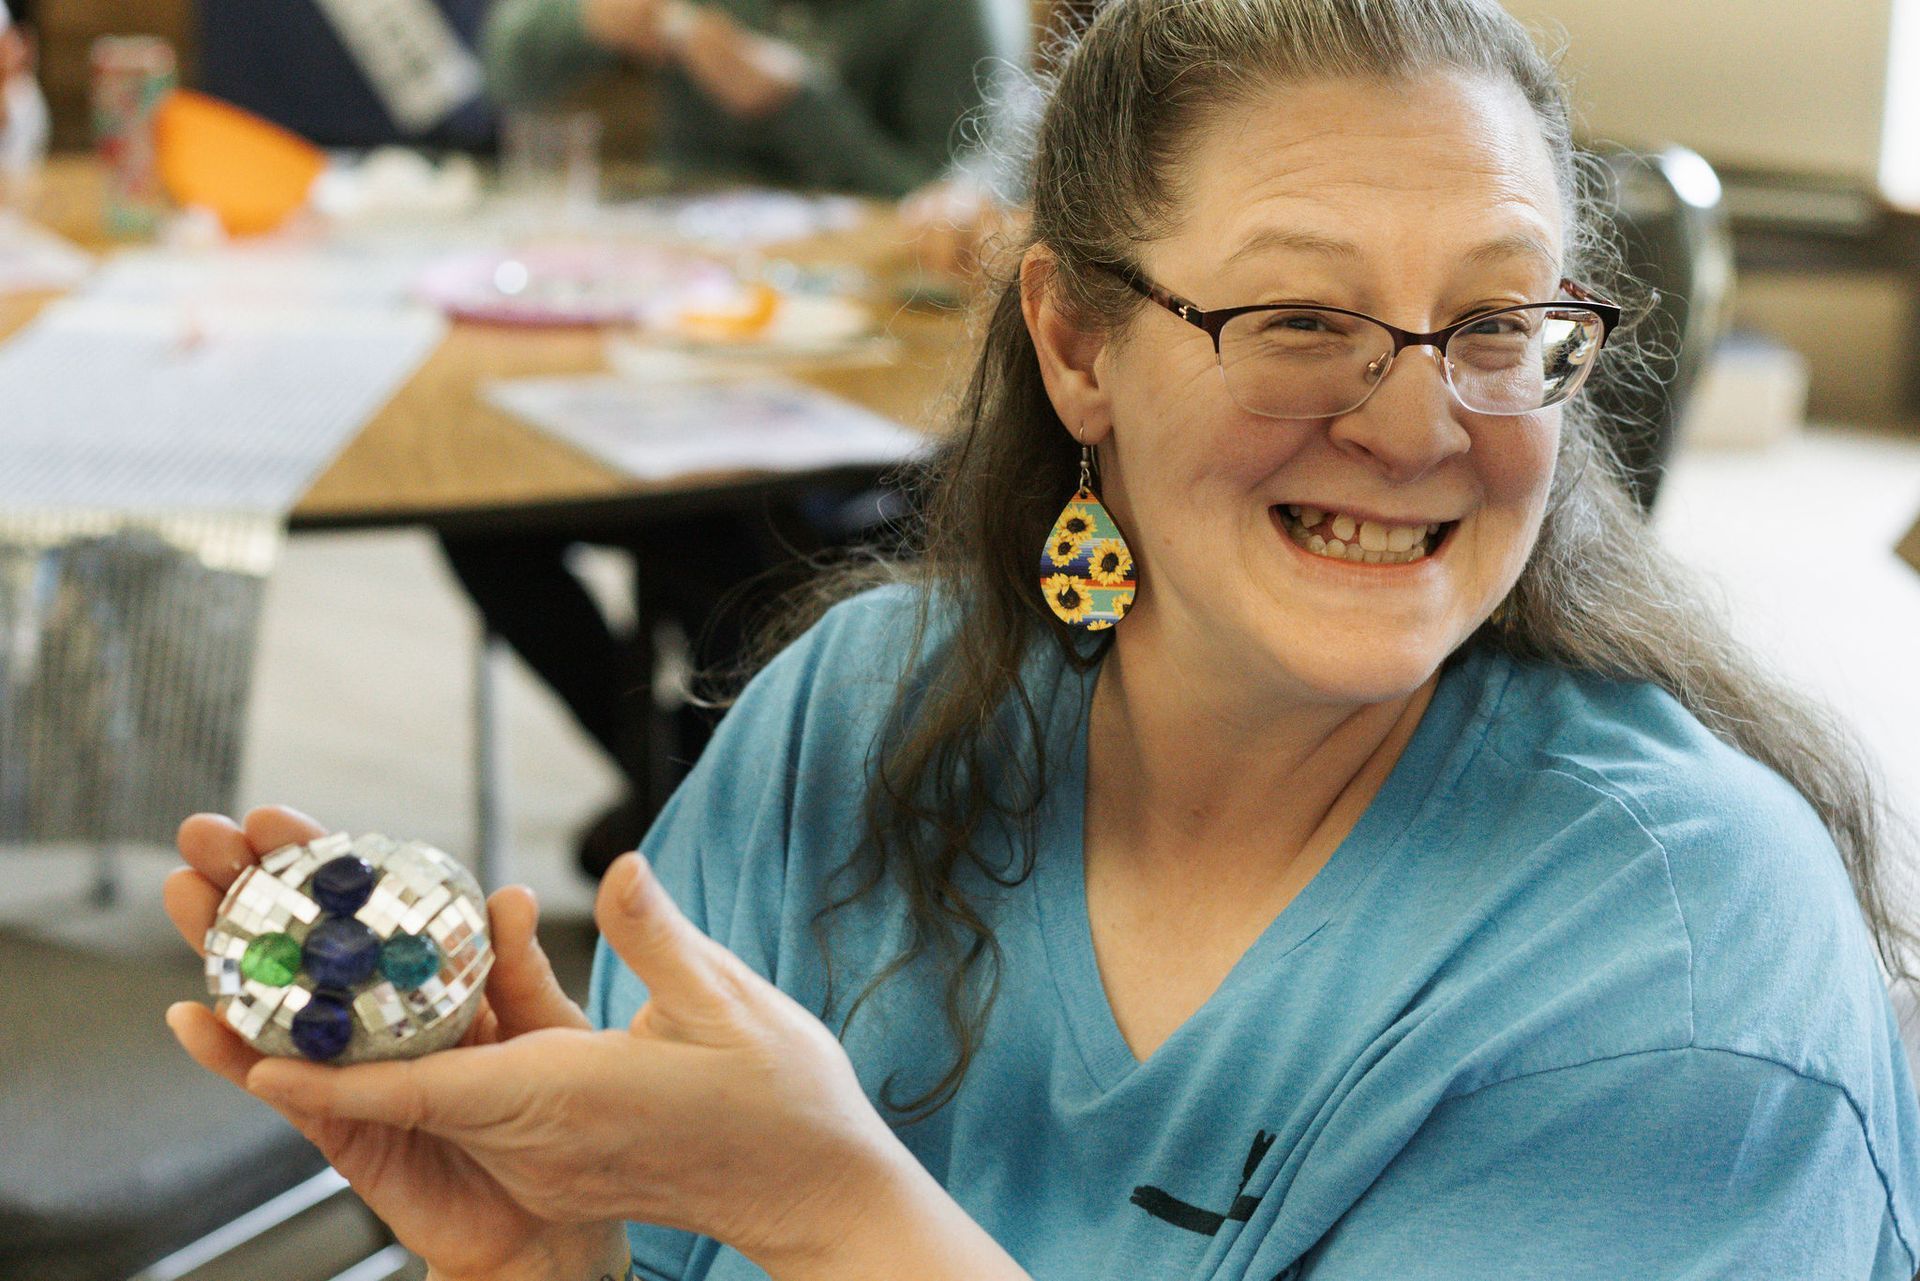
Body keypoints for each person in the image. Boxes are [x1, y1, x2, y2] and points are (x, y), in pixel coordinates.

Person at [165, 1, 1920, 1277]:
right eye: (1299, 316)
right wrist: (564, 1270)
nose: (1414, 427)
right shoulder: (846, 720)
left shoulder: (1680, 980)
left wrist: (833, 1213)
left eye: (1494, 320)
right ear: (1078, 345)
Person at [445, 0, 1027, 878]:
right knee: (481, 516)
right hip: (667, 330)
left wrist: (792, 102)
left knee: (746, 556)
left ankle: (711, 807)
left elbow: (937, 202)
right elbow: (506, 66)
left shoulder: (947, 19)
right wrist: (595, 28)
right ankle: (682, 780)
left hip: (848, 359)